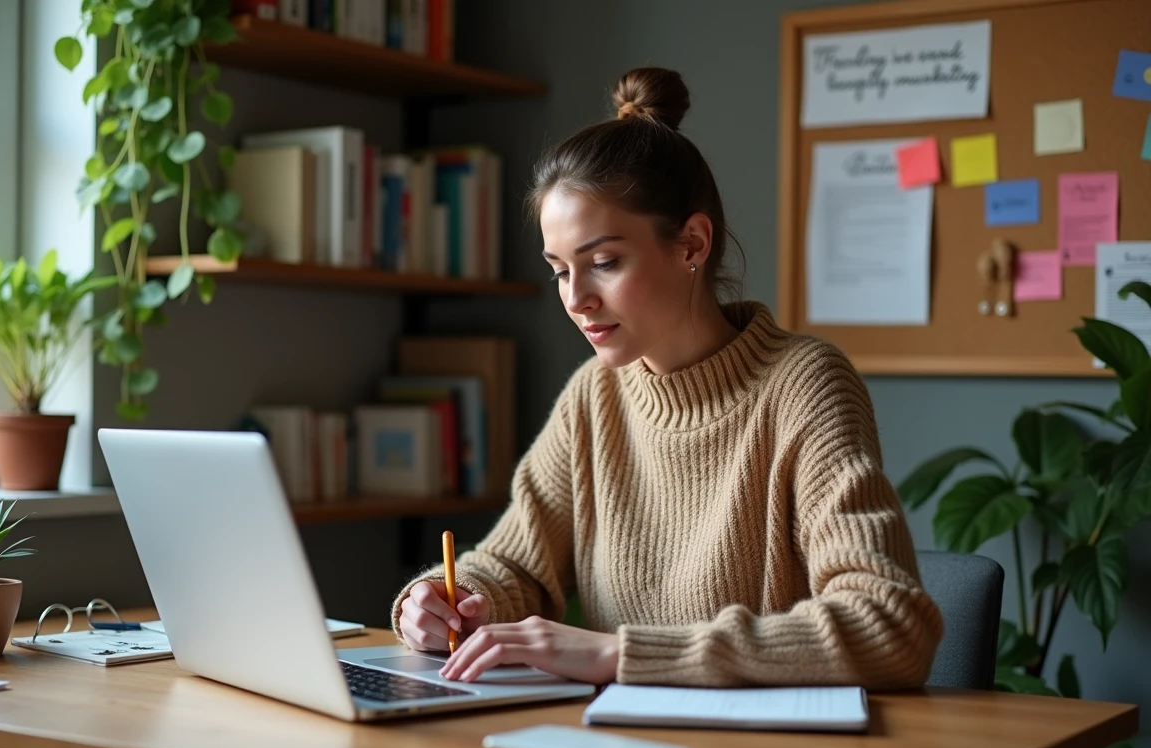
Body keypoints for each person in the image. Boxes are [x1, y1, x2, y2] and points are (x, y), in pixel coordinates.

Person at [391, 66, 944, 690]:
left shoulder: (803, 385)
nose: (577, 300)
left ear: (691, 244)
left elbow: (891, 627)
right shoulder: (594, 397)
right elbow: (513, 564)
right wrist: (449, 599)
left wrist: (619, 654)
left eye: (603, 262)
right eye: (559, 270)